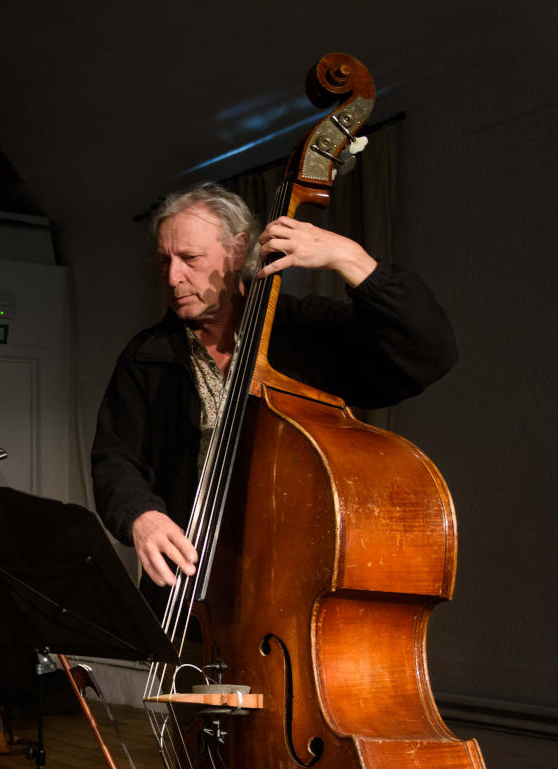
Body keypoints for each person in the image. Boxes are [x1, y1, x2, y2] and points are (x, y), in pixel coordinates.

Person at [91, 181, 458, 592]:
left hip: (293, 586)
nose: (174, 277)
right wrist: (140, 515)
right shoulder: (146, 356)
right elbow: (115, 458)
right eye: (164, 261)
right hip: (190, 591)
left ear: (237, 249)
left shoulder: (303, 331)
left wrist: (353, 260)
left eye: (189, 258)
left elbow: (429, 352)